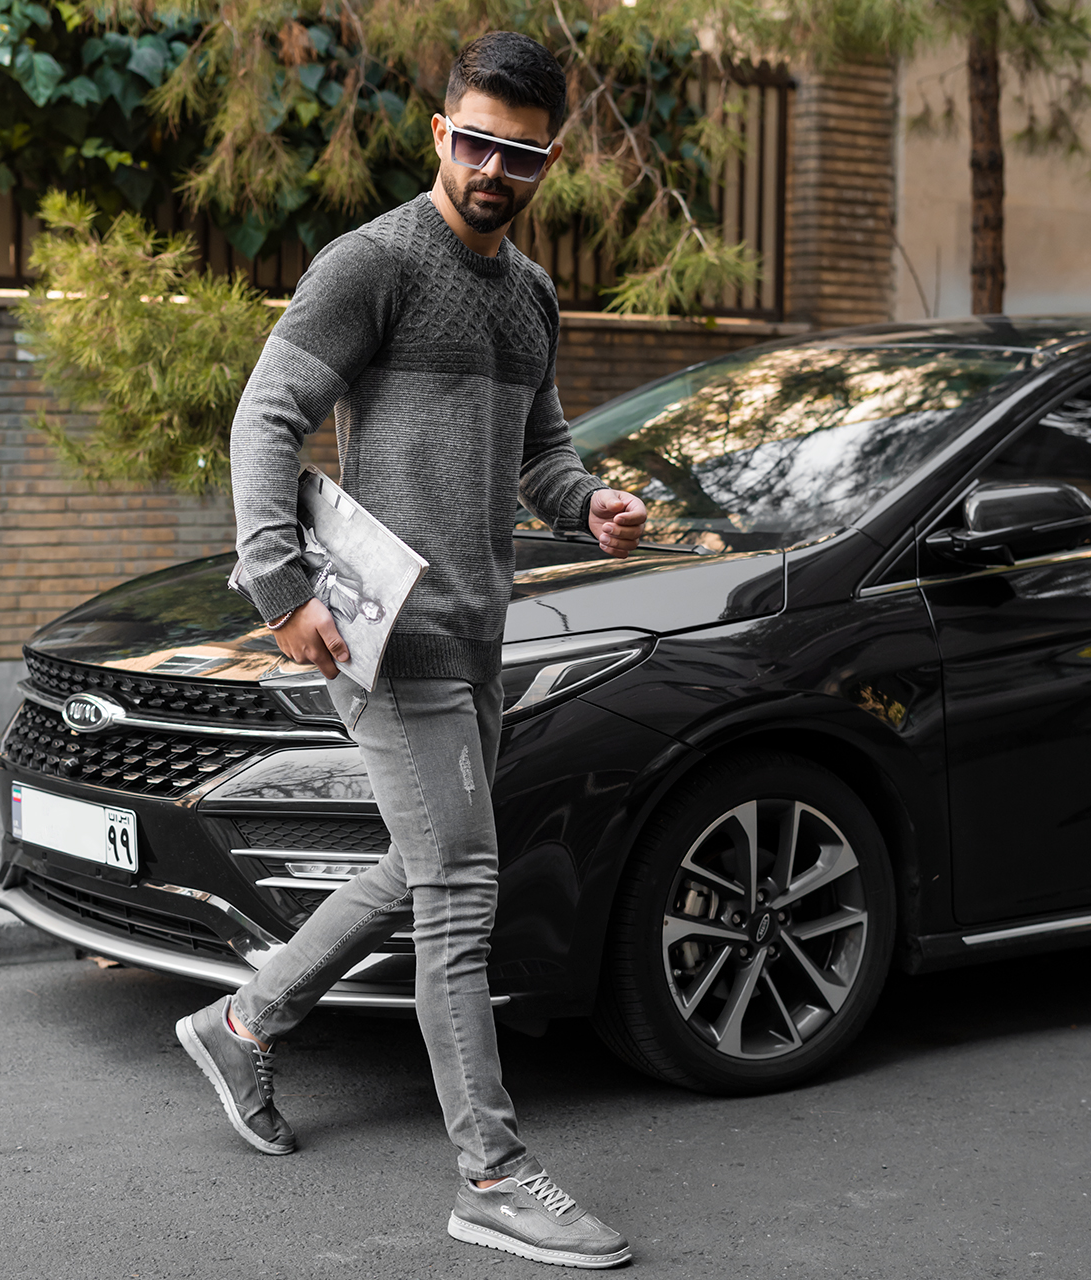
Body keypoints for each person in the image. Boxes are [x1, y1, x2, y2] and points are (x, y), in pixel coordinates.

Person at [175, 30, 646, 1270]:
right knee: (459, 884)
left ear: (547, 159)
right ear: (439, 133)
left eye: (520, 153)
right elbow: (266, 416)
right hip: (384, 638)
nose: (494, 169)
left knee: (421, 861)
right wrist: (277, 587)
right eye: (475, 142)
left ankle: (244, 1019)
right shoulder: (372, 263)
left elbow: (540, 453)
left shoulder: (529, 295)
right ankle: (490, 1171)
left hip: (477, 633)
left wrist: (587, 502)